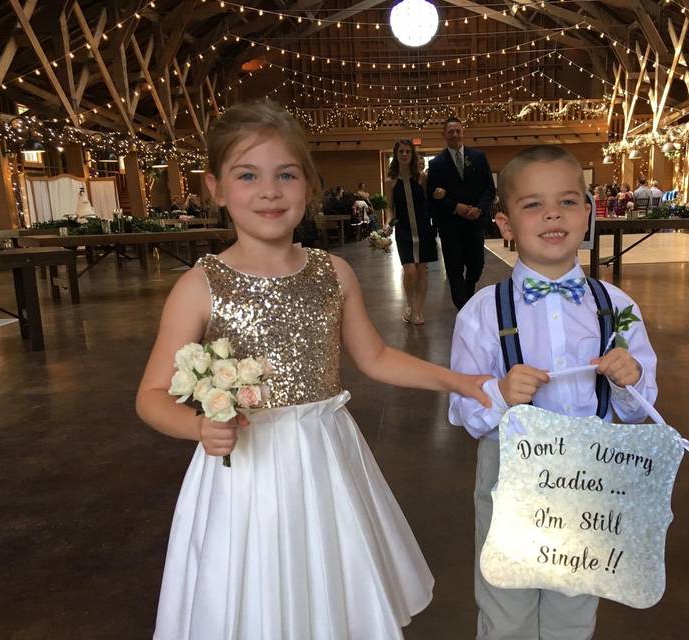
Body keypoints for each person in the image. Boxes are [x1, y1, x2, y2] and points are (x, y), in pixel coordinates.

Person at [135, 101, 492, 640]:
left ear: (308, 184)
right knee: (255, 592)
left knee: (331, 582)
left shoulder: (334, 273)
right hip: (246, 470)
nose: (269, 191)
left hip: (325, 458)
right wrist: (198, 426)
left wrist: (459, 380)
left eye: (286, 174)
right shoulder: (201, 285)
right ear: (215, 187)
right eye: (247, 175)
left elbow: (375, 357)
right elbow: (153, 394)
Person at [448, 145, 658, 640]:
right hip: (510, 476)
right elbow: (462, 409)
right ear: (504, 224)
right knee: (506, 605)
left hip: (590, 477)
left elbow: (640, 406)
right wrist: (498, 393)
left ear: (587, 213)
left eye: (567, 202)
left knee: (575, 602)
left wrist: (629, 380)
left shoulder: (617, 305)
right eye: (533, 205)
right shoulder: (481, 312)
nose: (551, 215)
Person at [427, 117, 496, 310]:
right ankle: (462, 306)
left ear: (463, 132)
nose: (455, 135)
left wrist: (480, 208)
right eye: (451, 132)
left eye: (458, 131)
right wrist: (455, 206)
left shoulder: (479, 158)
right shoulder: (436, 164)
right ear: (444, 135)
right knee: (454, 267)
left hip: (475, 223)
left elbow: (489, 189)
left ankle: (467, 292)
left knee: (476, 265)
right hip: (450, 225)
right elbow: (433, 196)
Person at [387, 139, 438, 326]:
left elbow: (429, 200)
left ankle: (418, 310)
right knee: (410, 271)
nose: (405, 154)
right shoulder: (390, 181)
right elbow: (390, 208)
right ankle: (409, 305)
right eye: (401, 151)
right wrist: (388, 223)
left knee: (422, 271)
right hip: (404, 229)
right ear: (396, 154)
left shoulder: (421, 178)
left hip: (424, 228)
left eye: (408, 151)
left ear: (412, 154)